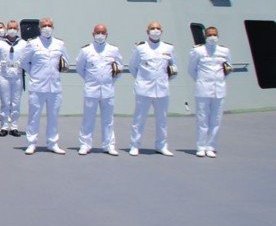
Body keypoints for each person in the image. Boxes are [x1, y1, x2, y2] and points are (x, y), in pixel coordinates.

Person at [20, 17, 69, 155]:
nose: (47, 28)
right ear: (40, 28)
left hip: (54, 86)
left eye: (49, 25)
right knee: (34, 116)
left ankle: (52, 143)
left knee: (53, 116)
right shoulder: (32, 44)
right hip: (37, 86)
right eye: (44, 25)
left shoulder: (59, 44)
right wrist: (35, 74)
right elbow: (24, 62)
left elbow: (65, 61)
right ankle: (31, 143)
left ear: (53, 27)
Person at [129, 21, 177, 157]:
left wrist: (165, 80)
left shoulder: (168, 48)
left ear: (162, 31)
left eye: (157, 28)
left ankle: (161, 145)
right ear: (147, 31)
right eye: (152, 28)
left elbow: (173, 67)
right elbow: (133, 67)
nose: (155, 30)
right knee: (139, 119)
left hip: (162, 89)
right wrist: (142, 80)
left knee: (162, 119)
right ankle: (134, 145)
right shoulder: (140, 48)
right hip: (144, 89)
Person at [75, 24, 124, 155]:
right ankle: (85, 144)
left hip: (108, 90)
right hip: (91, 90)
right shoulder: (86, 51)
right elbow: (80, 68)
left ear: (107, 35)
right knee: (88, 118)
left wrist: (110, 81)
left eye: (103, 32)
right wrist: (91, 80)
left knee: (108, 119)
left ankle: (109, 145)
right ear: (93, 34)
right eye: (98, 32)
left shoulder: (113, 50)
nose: (100, 35)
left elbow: (119, 68)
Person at [188, 26, 232, 158]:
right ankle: (201, 147)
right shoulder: (198, 51)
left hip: (219, 89)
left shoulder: (224, 51)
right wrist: (202, 81)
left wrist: (220, 80)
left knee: (216, 120)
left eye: (214, 34)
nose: (212, 37)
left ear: (218, 36)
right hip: (203, 90)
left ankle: (211, 147)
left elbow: (228, 68)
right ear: (205, 36)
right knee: (202, 120)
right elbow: (191, 69)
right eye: (209, 35)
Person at [0, 20, 27, 136]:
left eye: (14, 28)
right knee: (5, 102)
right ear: (7, 29)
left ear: (17, 29)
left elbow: (26, 60)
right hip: (4, 76)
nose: (12, 30)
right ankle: (4, 126)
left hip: (17, 76)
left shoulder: (23, 43)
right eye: (10, 27)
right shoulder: (0, 43)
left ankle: (14, 126)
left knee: (16, 102)